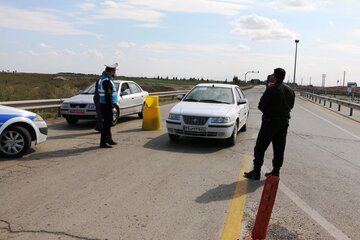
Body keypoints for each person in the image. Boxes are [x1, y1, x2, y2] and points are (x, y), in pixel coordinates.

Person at [244, 68, 295, 180]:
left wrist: (269, 113)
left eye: (273, 74)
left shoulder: (272, 89)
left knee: (260, 148)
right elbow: (291, 106)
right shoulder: (290, 90)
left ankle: (256, 172)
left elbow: (261, 105)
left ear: (275, 76)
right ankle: (275, 172)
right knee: (279, 149)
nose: (271, 76)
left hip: (270, 123)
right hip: (284, 123)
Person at [98, 63, 119, 148]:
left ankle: (109, 139)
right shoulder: (106, 81)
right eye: (114, 71)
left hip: (105, 104)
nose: (115, 73)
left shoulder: (105, 79)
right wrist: (112, 107)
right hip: (107, 105)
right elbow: (108, 95)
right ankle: (103, 142)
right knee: (107, 124)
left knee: (108, 123)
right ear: (110, 71)